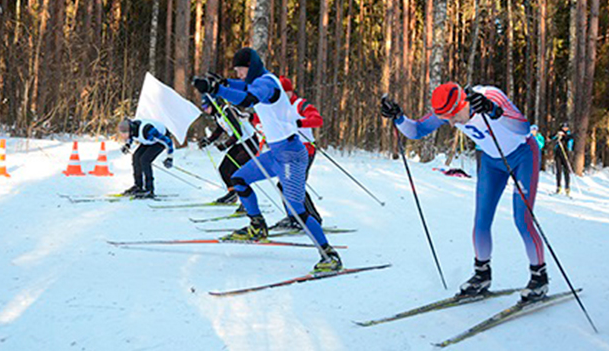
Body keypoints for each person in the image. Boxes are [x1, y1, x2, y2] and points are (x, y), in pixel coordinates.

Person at [381, 82, 547, 302]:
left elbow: (524, 128)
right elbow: (417, 131)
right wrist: (399, 117)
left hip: (523, 155)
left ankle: (539, 278)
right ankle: (482, 275)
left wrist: (494, 111)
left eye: (453, 116)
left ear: (463, 103)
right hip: (491, 161)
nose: (450, 122)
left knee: (522, 219)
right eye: (445, 118)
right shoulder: (450, 108)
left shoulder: (489, 96)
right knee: (481, 221)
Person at [192, 47, 342, 272]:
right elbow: (241, 86)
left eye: (240, 70)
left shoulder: (267, 84)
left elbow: (247, 97)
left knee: (296, 209)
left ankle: (329, 255)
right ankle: (257, 226)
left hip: (291, 155)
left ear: (250, 67)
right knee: (239, 178)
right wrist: (222, 83)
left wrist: (218, 89)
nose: (239, 74)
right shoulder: (257, 80)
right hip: (275, 154)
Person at [271, 76, 324, 230]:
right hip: (289, 151)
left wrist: (300, 123)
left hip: (306, 149)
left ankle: (312, 218)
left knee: (295, 185)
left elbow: (317, 120)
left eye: (283, 93)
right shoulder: (278, 107)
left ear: (289, 92)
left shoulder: (300, 104)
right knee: (283, 184)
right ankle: (294, 217)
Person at [198, 95, 259, 208]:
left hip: (250, 143)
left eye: (206, 107)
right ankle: (232, 194)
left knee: (236, 172)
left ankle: (246, 201)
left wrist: (226, 145)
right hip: (240, 144)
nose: (205, 110)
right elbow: (219, 130)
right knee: (224, 169)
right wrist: (209, 140)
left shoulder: (228, 111)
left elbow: (238, 132)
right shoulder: (218, 115)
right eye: (203, 108)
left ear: (213, 104)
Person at [118, 118, 174, 199]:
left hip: (159, 141)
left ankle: (149, 189)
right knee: (136, 157)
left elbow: (168, 141)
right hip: (148, 140)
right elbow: (131, 137)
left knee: (145, 160)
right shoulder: (133, 130)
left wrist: (170, 158)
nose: (123, 136)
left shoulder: (148, 131)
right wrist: (127, 145)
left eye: (124, 133)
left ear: (130, 130)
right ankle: (138, 186)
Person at [551, 123, 573, 196]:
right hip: (558, 154)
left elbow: (570, 138)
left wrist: (564, 136)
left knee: (566, 171)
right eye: (564, 127)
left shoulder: (569, 134)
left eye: (566, 127)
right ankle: (558, 187)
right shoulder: (559, 133)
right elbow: (551, 137)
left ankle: (567, 187)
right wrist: (557, 135)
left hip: (566, 154)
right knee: (558, 171)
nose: (565, 128)